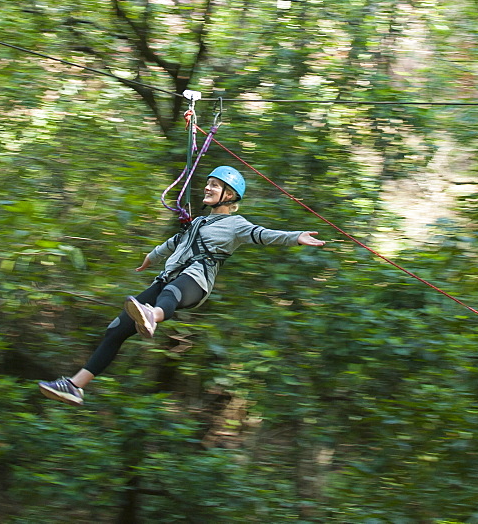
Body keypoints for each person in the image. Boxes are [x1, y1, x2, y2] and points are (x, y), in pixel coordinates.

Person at [38, 165, 326, 405]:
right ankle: (75, 386)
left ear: (230, 195)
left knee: (170, 294)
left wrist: (296, 236)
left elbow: (264, 234)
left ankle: (152, 316)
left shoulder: (236, 225)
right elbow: (174, 243)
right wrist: (150, 258)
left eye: (215, 185)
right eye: (208, 184)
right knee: (117, 328)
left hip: (196, 281)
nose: (208, 188)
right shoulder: (198, 222)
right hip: (168, 277)